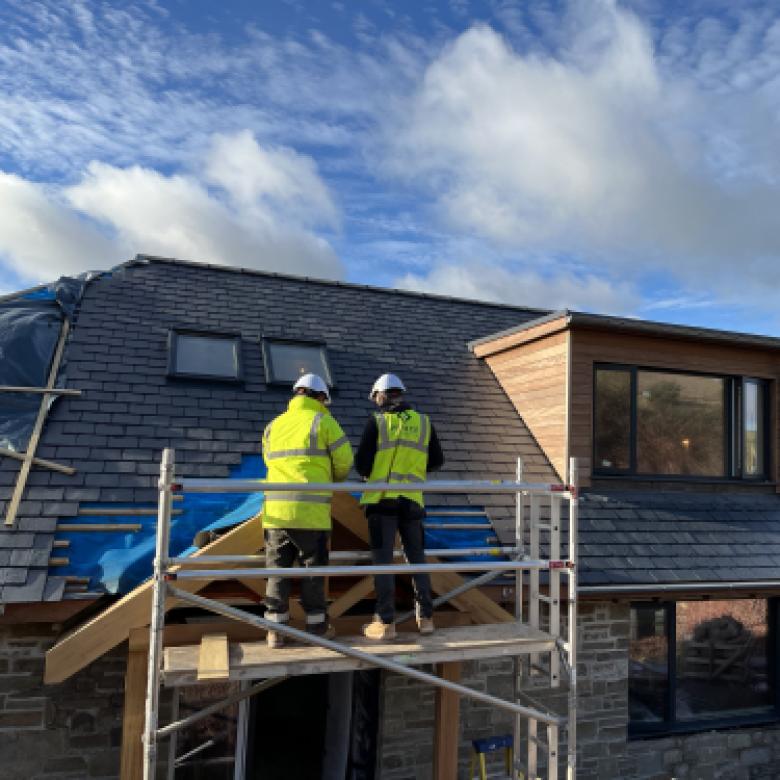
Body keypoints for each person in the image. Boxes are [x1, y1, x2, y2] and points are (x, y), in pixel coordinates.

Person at [262, 373, 353, 648]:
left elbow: (269, 459)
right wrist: (331, 479)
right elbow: (344, 461)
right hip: (311, 512)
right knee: (312, 569)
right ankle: (316, 627)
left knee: (277, 569)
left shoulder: (274, 425)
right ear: (320, 397)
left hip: (277, 511)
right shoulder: (324, 422)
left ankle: (275, 630)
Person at [356, 373, 444, 640]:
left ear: (381, 395)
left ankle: (385, 623)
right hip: (412, 502)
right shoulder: (424, 423)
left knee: (383, 561)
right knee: (417, 558)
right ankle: (426, 618)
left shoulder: (378, 422)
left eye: (376, 398)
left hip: (382, 502)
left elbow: (361, 464)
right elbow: (437, 460)